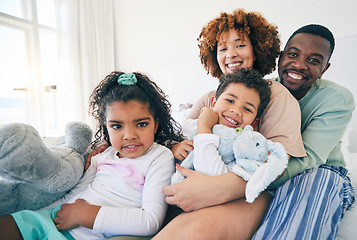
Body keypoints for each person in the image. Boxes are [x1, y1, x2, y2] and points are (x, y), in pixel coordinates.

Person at [152, 9, 306, 240]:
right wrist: (174, 147)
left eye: (240, 45)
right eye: (222, 48)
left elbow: (276, 165)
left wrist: (213, 188)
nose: (231, 54)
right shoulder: (208, 98)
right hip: (191, 182)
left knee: (198, 229)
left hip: (249, 190)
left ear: (257, 48)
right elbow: (176, 136)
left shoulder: (277, 95)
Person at [0, 71, 184, 239]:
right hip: (53, 220)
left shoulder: (159, 157)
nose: (129, 135)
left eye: (141, 124)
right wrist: (45, 212)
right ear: (106, 127)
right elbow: (74, 194)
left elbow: (149, 221)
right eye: (117, 126)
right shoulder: (104, 154)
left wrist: (84, 215)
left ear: (156, 124)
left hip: (84, 234)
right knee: (11, 222)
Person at [252, 24, 355, 239]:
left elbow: (310, 158)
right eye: (293, 54)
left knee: (315, 181)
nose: (299, 65)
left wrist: (248, 181)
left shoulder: (337, 98)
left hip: (319, 170)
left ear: (325, 68)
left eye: (314, 60)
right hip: (261, 170)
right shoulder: (260, 89)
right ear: (280, 57)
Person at [172, 68, 272, 182]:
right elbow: (160, 143)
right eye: (230, 101)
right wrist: (173, 148)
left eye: (247, 109)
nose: (236, 111)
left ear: (254, 123)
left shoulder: (244, 148)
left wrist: (204, 128)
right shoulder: (192, 125)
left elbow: (214, 175)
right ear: (213, 103)